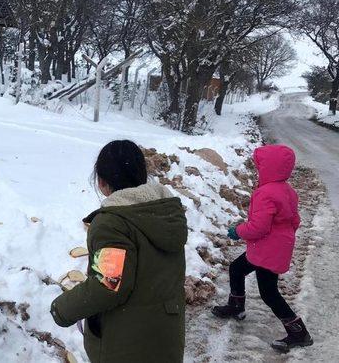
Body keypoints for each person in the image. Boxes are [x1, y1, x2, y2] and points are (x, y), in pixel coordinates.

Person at [50, 140, 188, 362]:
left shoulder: (112, 224)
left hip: (127, 343)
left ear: (102, 182)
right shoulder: (166, 212)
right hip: (165, 336)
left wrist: (62, 309)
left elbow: (108, 285)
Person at [212, 144, 313, 352]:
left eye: (260, 165)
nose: (258, 168)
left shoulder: (265, 193)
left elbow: (259, 227)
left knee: (269, 293)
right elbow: (295, 220)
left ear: (268, 167)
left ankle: (299, 332)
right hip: (272, 248)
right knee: (237, 268)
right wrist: (282, 238)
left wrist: (237, 231)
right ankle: (236, 306)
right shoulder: (288, 191)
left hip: (267, 250)